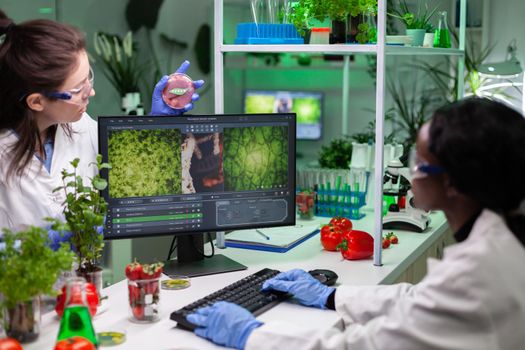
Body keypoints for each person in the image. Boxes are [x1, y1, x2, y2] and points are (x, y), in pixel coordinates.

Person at [186, 97, 525, 350]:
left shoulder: (477, 274)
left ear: (452, 182)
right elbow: (417, 300)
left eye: (418, 162)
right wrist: (331, 296)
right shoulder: (504, 235)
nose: (410, 173)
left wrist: (251, 334)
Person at [0, 12, 203, 230]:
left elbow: (129, 171)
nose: (92, 92)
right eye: (80, 90)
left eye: (89, 78)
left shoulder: (80, 127)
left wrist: (157, 123)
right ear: (37, 102)